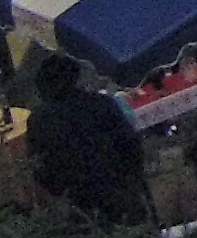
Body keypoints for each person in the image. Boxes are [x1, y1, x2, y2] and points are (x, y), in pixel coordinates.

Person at [26, 48, 151, 224]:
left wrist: (61, 190)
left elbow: (39, 165)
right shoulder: (102, 104)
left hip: (80, 203)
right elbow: (130, 144)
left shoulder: (39, 120)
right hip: (120, 191)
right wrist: (131, 179)